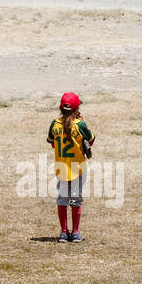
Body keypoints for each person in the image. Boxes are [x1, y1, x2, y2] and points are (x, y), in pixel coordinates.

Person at [48, 92, 95, 243]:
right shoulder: (80, 124)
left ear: (60, 108)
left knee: (62, 199)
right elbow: (91, 141)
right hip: (78, 168)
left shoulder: (55, 123)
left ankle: (63, 232)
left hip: (61, 168)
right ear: (77, 109)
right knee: (76, 199)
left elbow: (52, 143)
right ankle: (75, 232)